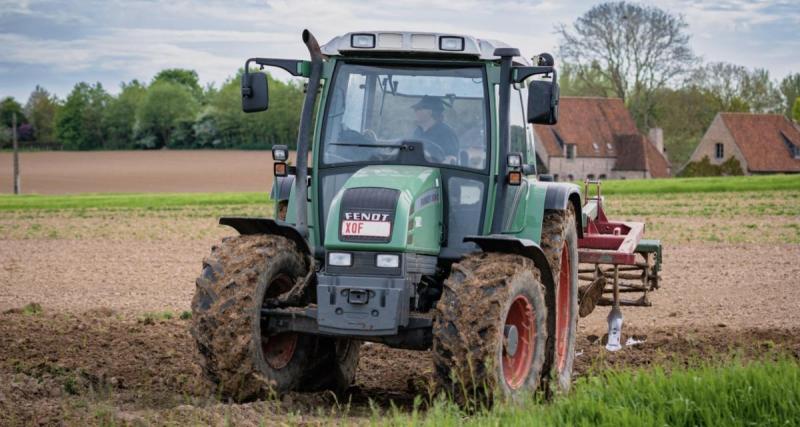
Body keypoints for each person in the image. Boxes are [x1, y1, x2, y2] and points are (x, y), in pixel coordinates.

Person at [411, 96, 459, 161]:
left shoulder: (447, 133)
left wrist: (429, 159)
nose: (415, 111)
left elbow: (451, 159)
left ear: (430, 112)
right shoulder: (417, 132)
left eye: (418, 109)